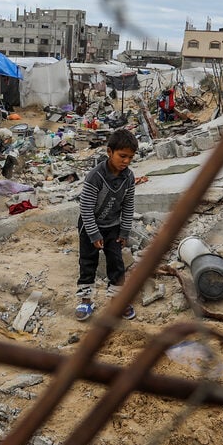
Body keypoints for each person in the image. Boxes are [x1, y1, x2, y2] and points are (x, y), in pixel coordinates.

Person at [75, 128, 139, 321]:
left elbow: (128, 206)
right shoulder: (96, 176)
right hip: (89, 226)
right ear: (109, 152)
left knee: (117, 264)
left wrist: (124, 231)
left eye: (130, 157)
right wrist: (94, 235)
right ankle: (85, 300)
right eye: (122, 156)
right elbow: (85, 209)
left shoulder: (128, 177)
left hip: (113, 227)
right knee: (87, 263)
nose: (126, 161)